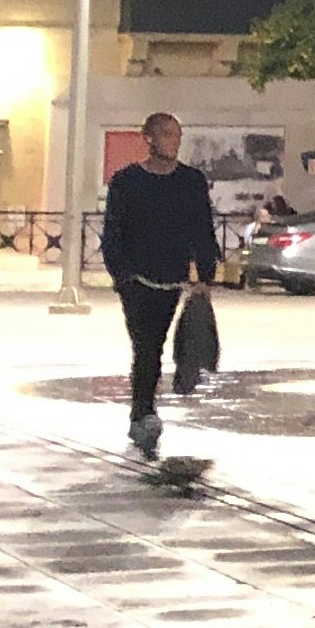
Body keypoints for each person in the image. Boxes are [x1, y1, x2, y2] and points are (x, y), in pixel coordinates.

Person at [101, 112, 219, 459]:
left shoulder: (191, 182)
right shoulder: (126, 182)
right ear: (148, 138)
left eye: (177, 135)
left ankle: (150, 404)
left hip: (173, 279)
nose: (174, 141)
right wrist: (121, 276)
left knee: (164, 343)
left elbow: (202, 230)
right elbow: (113, 233)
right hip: (137, 280)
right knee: (146, 345)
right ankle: (142, 412)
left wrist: (205, 277)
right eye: (167, 134)